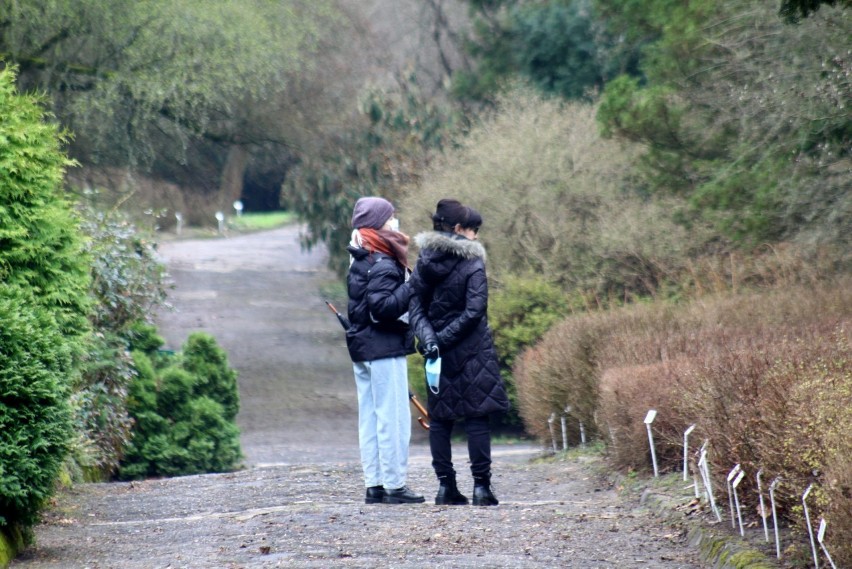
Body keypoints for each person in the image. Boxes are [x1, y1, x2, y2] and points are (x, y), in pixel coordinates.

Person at [409, 199, 510, 506]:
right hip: (472, 351)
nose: (476, 237)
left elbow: (415, 307)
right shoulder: (473, 262)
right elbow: (475, 311)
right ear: (457, 229)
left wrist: (431, 341)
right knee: (476, 418)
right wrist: (443, 339)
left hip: (437, 354)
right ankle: (481, 488)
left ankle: (445, 487)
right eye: (472, 230)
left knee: (441, 420)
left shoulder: (423, 261)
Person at [345, 196, 425, 505]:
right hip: (384, 348)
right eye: (391, 218)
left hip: (364, 348)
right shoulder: (383, 260)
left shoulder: (360, 256)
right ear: (380, 223)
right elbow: (383, 308)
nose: (395, 222)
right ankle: (394, 486)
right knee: (392, 418)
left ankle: (375, 484)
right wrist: (414, 283)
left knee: (370, 417)